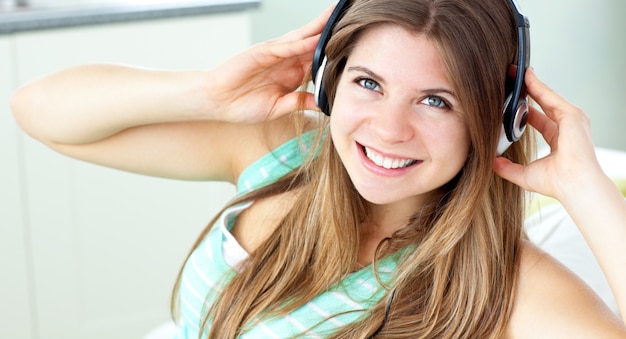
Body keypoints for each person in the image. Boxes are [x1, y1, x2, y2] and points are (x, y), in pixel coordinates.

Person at [10, 0, 626, 338]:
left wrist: (586, 188)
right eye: (368, 83)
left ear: (499, 117)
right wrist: (207, 91)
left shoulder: (508, 286)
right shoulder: (280, 149)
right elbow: (39, 110)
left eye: (436, 101)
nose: (389, 129)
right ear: (330, 84)